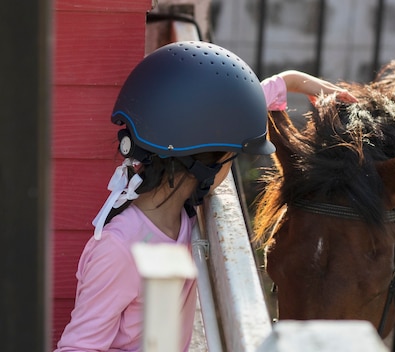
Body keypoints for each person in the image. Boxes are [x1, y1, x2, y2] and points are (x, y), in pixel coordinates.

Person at [55, 40, 355, 352]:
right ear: (202, 164)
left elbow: (222, 109)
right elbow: (77, 347)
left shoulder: (177, 208)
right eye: (232, 157)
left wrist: (294, 81)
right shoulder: (119, 249)